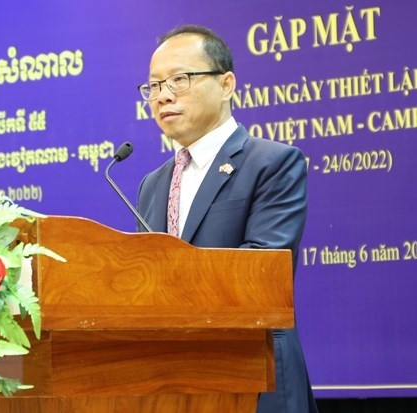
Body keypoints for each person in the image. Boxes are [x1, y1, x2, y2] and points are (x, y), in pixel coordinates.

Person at [135, 24, 319, 413]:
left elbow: (259, 270)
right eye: (153, 86)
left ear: (226, 84)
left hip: (252, 375)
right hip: (174, 382)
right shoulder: (152, 185)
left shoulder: (271, 163)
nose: (162, 96)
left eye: (179, 80)